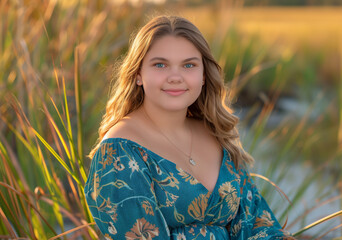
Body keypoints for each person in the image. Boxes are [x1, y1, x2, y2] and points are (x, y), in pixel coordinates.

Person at [84, 15, 295, 240]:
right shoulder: (120, 151)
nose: (175, 77)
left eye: (188, 65)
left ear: (204, 76)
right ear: (138, 75)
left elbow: (256, 223)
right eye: (160, 64)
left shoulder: (215, 134)